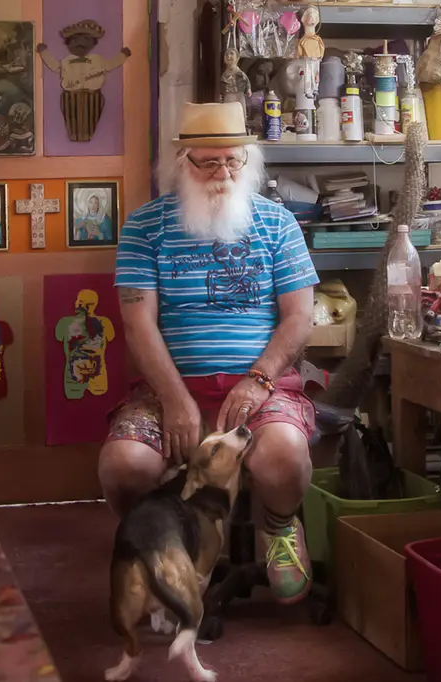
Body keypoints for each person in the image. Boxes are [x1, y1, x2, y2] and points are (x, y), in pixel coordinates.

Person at [99, 101, 319, 605]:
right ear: (183, 164)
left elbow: (298, 317)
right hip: (168, 390)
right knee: (124, 464)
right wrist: (174, 398)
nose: (223, 172)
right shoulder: (144, 228)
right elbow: (137, 324)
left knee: (284, 453)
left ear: (248, 161)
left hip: (260, 387)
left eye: (233, 160)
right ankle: (155, 547)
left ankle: (279, 529)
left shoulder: (279, 224)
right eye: (208, 161)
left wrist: (258, 379)